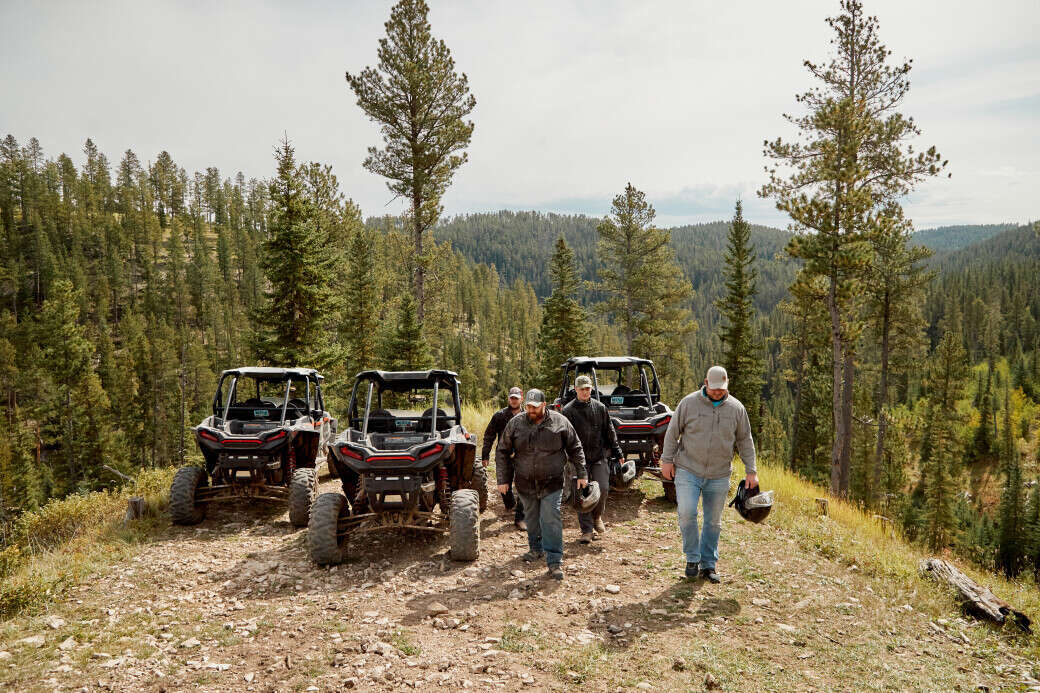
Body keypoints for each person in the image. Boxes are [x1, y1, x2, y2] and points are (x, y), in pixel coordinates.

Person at [660, 366, 757, 584]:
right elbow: (672, 432)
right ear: (705, 383)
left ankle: (708, 564)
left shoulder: (737, 409)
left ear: (727, 384)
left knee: (713, 521)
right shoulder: (688, 403)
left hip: (719, 474)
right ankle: (692, 558)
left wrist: (751, 471)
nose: (717, 392)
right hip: (688, 469)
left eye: (721, 388)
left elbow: (745, 440)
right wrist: (667, 460)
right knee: (686, 512)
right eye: (714, 388)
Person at [496, 388, 587, 580]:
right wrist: (503, 479)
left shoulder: (560, 421)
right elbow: (502, 450)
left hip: (552, 482)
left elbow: (575, 447)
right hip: (525, 482)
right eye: (528, 406)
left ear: (544, 405)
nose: (531, 410)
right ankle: (536, 548)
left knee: (550, 517)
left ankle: (554, 560)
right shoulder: (516, 423)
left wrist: (582, 473)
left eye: (535, 407)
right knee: (531, 517)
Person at [562, 374, 624, 544]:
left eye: (588, 388)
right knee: (582, 493)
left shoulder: (600, 408)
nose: (585, 391)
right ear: (576, 389)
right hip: (577, 460)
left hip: (598, 456)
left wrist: (618, 452)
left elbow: (609, 431)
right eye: (582, 389)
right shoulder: (568, 411)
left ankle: (597, 517)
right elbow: (564, 437)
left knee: (603, 488)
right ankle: (587, 530)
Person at [481, 386, 526, 530]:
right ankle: (510, 504)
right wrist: (485, 455)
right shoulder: (499, 416)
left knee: (524, 485)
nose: (514, 401)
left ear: (521, 399)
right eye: (512, 398)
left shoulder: (527, 415)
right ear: (508, 399)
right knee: (503, 485)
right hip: (504, 455)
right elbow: (489, 435)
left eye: (516, 398)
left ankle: (521, 516)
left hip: (522, 455)